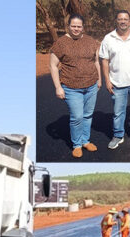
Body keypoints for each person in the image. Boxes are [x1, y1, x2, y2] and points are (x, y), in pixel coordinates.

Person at [49, 14, 101, 159]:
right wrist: (58, 87)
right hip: (71, 87)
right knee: (77, 117)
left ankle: (85, 140)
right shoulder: (61, 43)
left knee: (88, 115)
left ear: (83, 27)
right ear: (69, 26)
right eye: (73, 26)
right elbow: (53, 66)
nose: (76, 29)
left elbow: (96, 62)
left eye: (79, 26)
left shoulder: (91, 41)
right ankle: (77, 144)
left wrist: (100, 79)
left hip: (91, 85)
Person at [99, 10, 130, 150]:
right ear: (116, 20)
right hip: (117, 83)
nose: (123, 21)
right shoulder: (108, 39)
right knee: (118, 112)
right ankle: (117, 136)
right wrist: (107, 81)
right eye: (120, 19)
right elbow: (104, 61)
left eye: (125, 19)